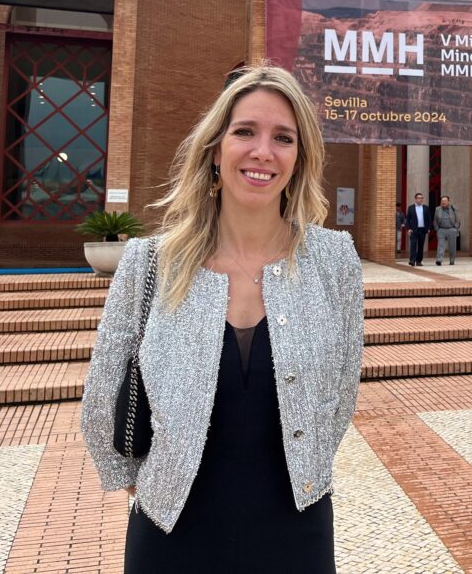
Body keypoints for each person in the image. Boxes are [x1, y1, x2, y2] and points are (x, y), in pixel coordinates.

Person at [80, 66, 364, 572]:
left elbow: (342, 390)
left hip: (296, 529)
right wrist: (149, 480)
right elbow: (104, 395)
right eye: (245, 132)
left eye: (283, 137)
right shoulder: (151, 263)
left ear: (299, 158)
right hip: (173, 533)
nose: (263, 152)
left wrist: (311, 465)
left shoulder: (334, 260)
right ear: (215, 148)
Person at [405, 192, 431, 266]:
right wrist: (409, 229)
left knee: (421, 246)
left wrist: (428, 228)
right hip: (413, 230)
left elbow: (429, 219)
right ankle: (412, 260)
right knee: (413, 245)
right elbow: (407, 219)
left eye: (421, 198)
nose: (420, 199)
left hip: (422, 230)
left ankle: (419, 261)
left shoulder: (426, 208)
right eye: (419, 198)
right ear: (415, 199)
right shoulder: (411, 208)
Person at [434, 195, 460, 266]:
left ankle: (452, 260)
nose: (443, 202)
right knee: (440, 245)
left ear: (448, 201)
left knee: (452, 247)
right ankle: (439, 260)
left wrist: (455, 228)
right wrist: (437, 229)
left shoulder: (453, 208)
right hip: (441, 230)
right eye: (442, 201)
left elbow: (458, 219)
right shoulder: (437, 209)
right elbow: (435, 220)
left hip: (451, 229)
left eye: (445, 201)